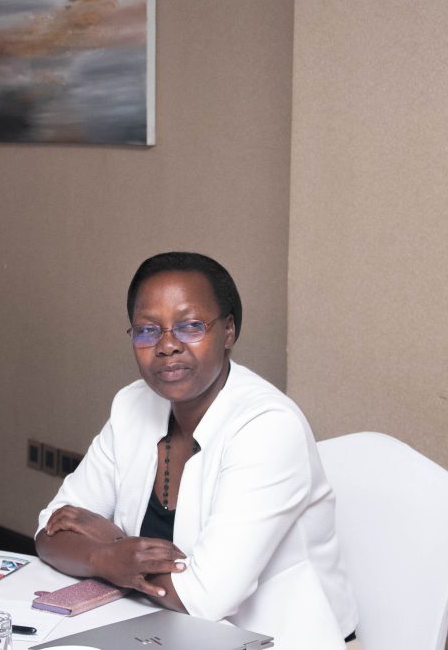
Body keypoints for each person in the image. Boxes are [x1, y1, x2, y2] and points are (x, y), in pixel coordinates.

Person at [35, 252, 360, 650]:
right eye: (147, 330)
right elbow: (50, 530)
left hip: (278, 640)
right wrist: (111, 556)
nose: (167, 346)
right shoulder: (131, 405)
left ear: (228, 331)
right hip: (161, 630)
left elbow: (204, 596)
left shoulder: (269, 427)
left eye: (190, 326)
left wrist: (112, 544)